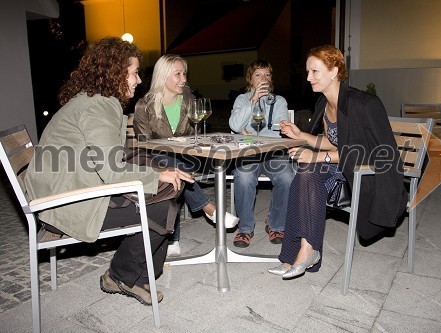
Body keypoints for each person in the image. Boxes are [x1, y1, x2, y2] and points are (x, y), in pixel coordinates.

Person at [24, 37, 194, 305]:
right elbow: (112, 171)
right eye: (135, 72)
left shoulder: (94, 100)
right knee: (163, 206)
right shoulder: (102, 105)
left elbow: (111, 156)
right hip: (65, 200)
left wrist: (154, 169)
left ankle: (139, 274)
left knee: (165, 190)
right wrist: (156, 175)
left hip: (69, 185)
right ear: (116, 72)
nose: (139, 80)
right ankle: (123, 276)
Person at [268, 45, 407, 279]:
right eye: (308, 72)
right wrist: (301, 135)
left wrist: (316, 156)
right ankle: (306, 250)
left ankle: (302, 252)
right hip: (339, 170)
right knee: (307, 170)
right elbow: (333, 143)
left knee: (309, 169)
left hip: (366, 177)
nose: (308, 77)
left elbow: (374, 152)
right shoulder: (324, 104)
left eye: (314, 71)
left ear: (334, 71)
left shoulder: (364, 104)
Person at [134, 54, 239, 256]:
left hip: (186, 158)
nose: (184, 79)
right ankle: (208, 208)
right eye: (178, 74)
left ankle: (173, 239)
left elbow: (195, 135)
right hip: (155, 160)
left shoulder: (189, 100)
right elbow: (144, 145)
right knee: (171, 166)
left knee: (176, 167)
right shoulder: (144, 105)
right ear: (163, 76)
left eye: (184, 74)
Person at [229, 59, 295, 247]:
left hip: (273, 152)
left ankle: (276, 224)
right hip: (248, 153)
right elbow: (234, 125)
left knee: (287, 176)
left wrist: (248, 132)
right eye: (258, 74)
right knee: (243, 177)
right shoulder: (242, 100)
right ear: (250, 78)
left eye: (267, 74)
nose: (263, 78)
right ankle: (245, 228)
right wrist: (253, 101)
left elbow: (280, 130)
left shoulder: (279, 101)